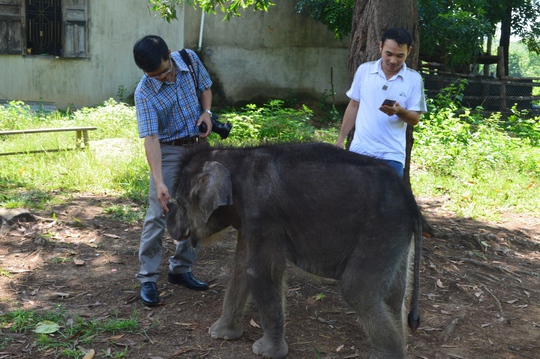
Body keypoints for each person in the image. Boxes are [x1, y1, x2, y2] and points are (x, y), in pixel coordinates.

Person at [133, 35, 213, 307]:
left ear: (169, 54)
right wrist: (158, 182)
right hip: (167, 151)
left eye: (165, 71)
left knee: (197, 209)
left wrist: (207, 113)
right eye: (154, 76)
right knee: (158, 213)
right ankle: (148, 278)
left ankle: (181, 269)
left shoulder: (188, 59)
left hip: (198, 147)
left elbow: (205, 88)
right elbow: (151, 139)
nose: (162, 78)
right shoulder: (144, 92)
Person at [336, 27, 427, 178]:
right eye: (389, 54)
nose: (393, 60)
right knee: (357, 201)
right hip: (360, 152)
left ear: (409, 52)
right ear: (380, 47)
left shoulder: (414, 79)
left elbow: (415, 119)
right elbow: (353, 106)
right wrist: (340, 140)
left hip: (392, 156)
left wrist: (400, 111)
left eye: (400, 56)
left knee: (388, 202)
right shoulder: (364, 71)